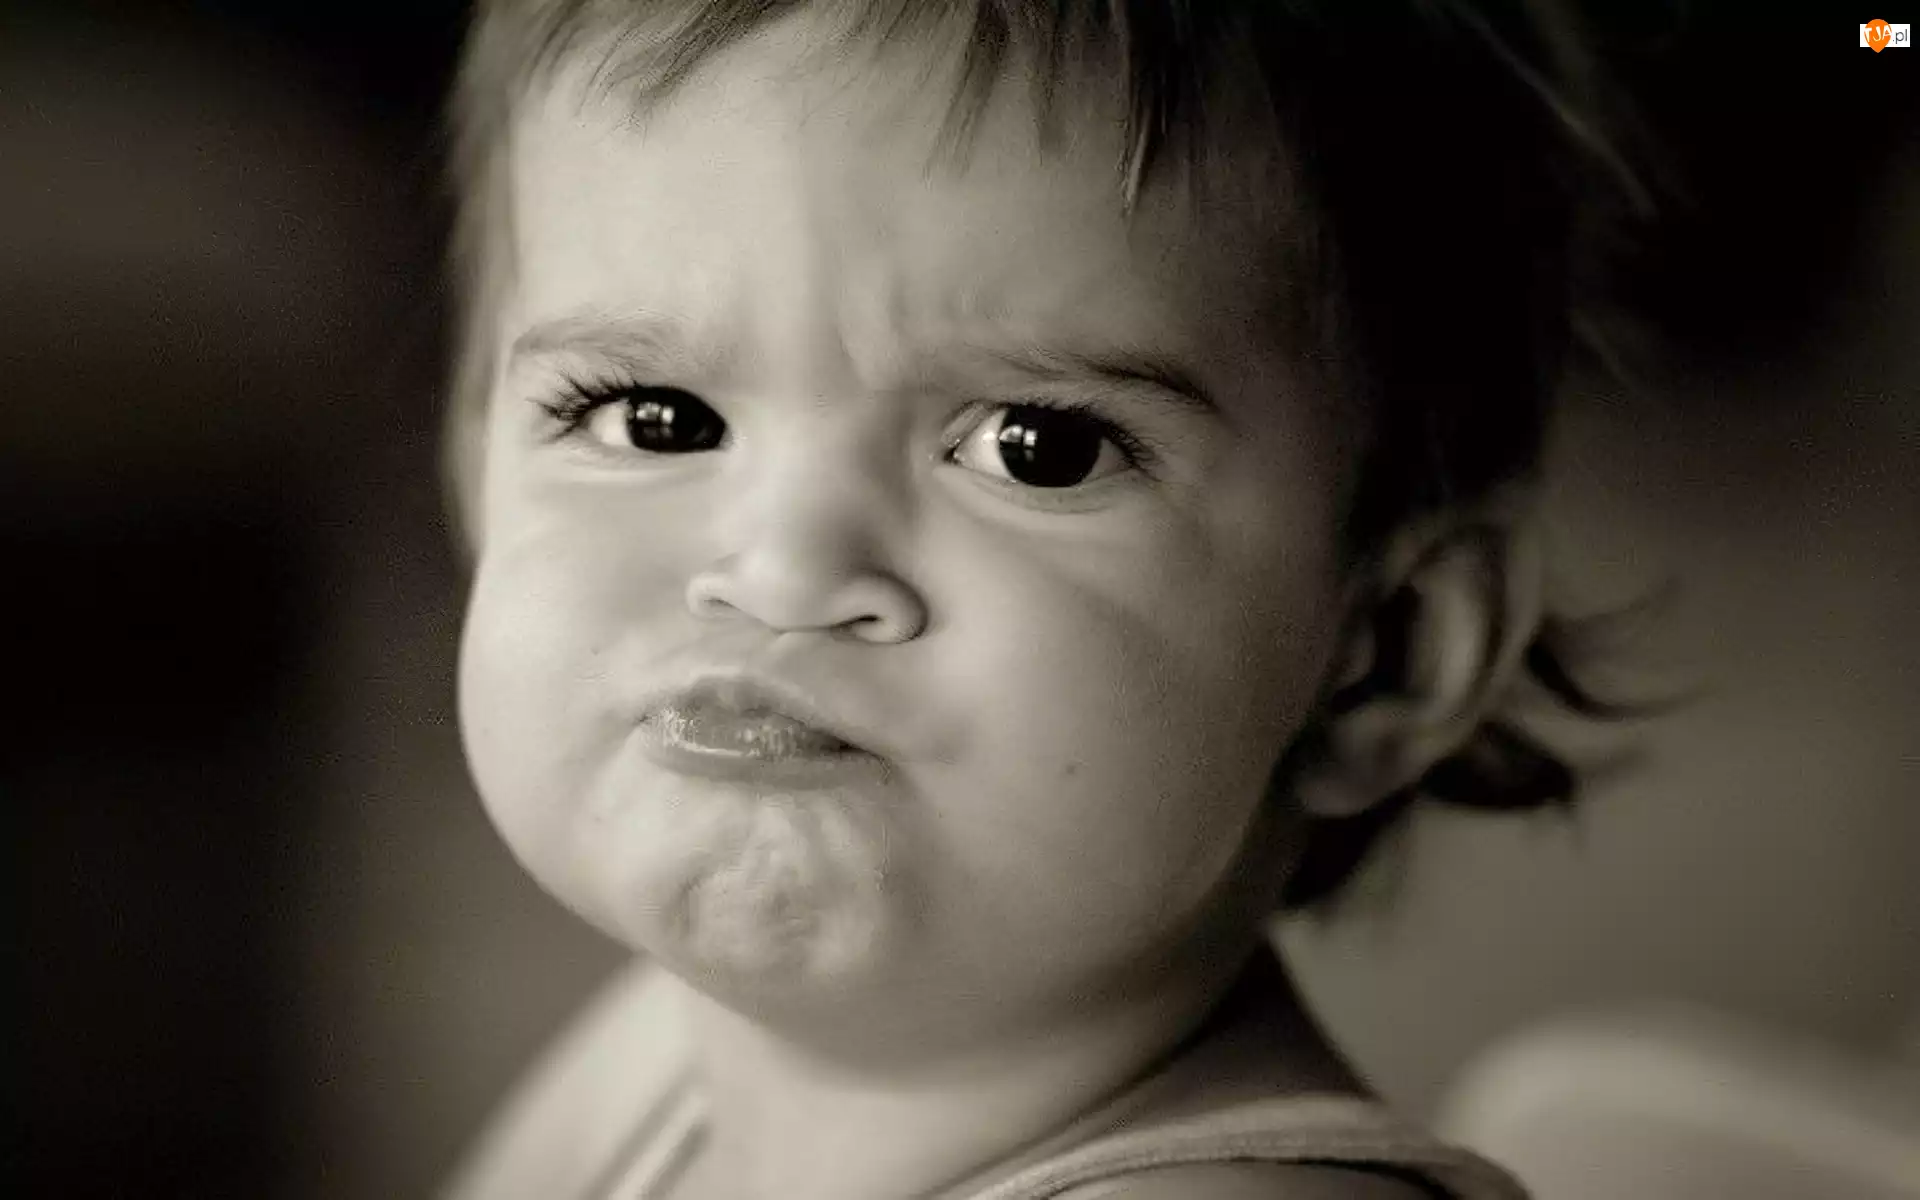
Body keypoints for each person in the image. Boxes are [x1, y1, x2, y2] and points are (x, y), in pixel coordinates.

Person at [440, 1, 1626, 1195]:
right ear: (472, 475)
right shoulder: (654, 1060)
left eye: (1037, 449)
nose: (783, 574)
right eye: (651, 418)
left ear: (1382, 653)